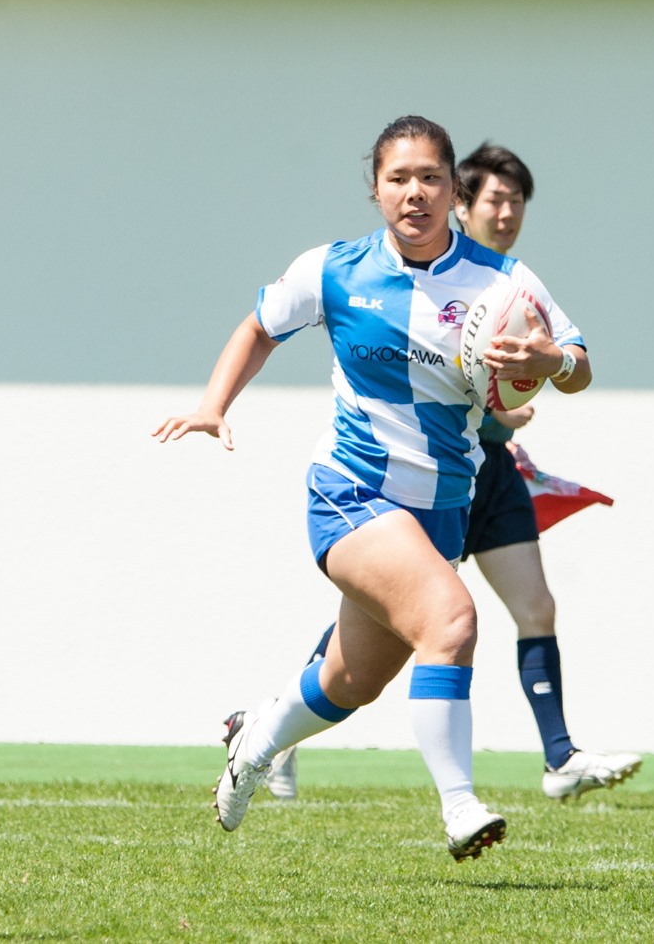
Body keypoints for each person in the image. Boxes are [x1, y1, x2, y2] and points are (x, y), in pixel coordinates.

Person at [154, 116, 589, 861]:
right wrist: (213, 405)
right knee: (452, 621)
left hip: (441, 512)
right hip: (351, 492)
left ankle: (255, 741)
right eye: (398, 178)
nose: (414, 192)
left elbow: (578, 363)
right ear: (376, 190)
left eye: (430, 178)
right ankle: (460, 807)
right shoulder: (333, 270)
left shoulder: (503, 281)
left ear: (454, 192)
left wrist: (552, 362)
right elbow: (258, 328)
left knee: (349, 681)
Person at [259, 142, 641, 805]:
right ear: (462, 204)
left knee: (533, 606)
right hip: (411, 478)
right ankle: (280, 732)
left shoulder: (510, 285)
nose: (508, 213)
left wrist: (539, 373)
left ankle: (559, 756)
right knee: (402, 620)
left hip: (485, 474)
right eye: (496, 200)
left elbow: (564, 365)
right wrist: (498, 404)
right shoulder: (412, 275)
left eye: (518, 202)